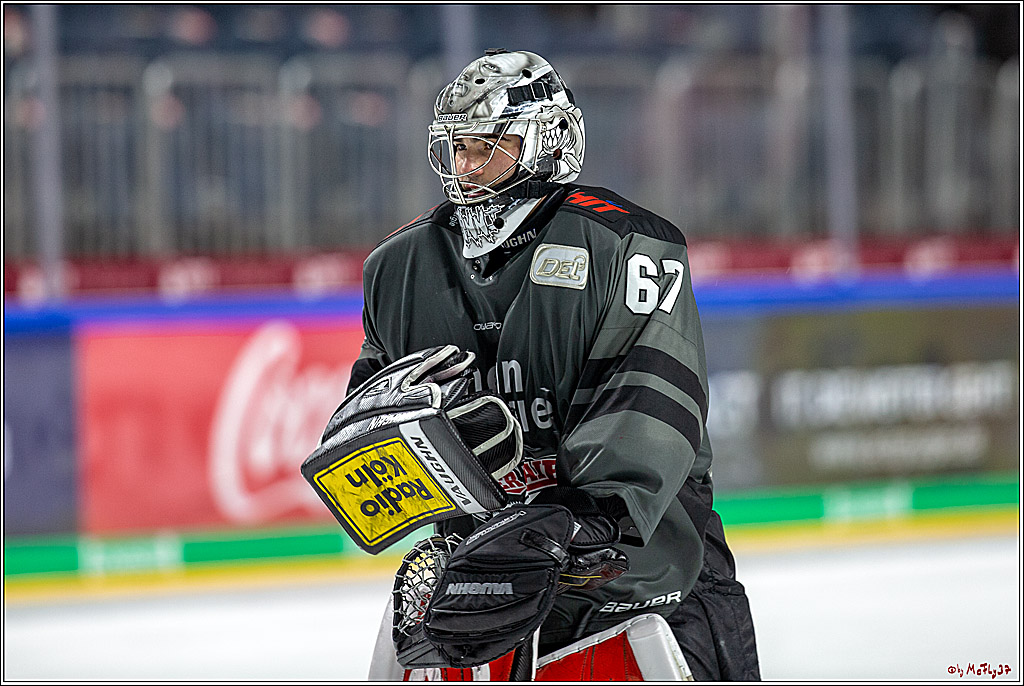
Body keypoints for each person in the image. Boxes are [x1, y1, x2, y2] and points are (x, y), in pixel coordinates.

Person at [347, 49, 760, 681]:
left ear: (547, 140)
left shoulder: (625, 244)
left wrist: (577, 520)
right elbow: (371, 424)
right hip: (483, 586)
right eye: (454, 150)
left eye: (485, 150)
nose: (463, 169)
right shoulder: (397, 269)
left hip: (642, 582)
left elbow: (650, 400)